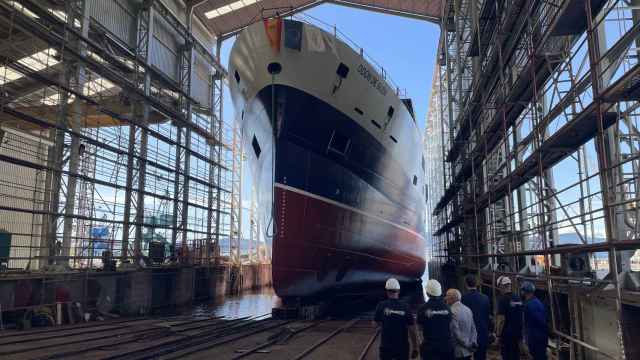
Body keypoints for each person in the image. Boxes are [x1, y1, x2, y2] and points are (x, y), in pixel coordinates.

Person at [374, 278, 419, 360]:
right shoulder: (406, 307)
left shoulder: (381, 305)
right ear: (398, 291)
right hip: (402, 348)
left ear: (387, 291)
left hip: (386, 347)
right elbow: (412, 329)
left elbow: (375, 324)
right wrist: (415, 347)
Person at [416, 279, 454, 360]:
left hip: (430, 349)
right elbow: (451, 326)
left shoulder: (422, 309)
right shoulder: (447, 308)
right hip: (446, 348)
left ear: (427, 293)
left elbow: (419, 329)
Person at [461, 274, 490, 360]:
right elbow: (488, 317)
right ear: (476, 284)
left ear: (466, 284)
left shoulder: (463, 299)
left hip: (467, 336)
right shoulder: (485, 298)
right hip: (482, 334)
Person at [495, 276, 523, 360]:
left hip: (507, 335)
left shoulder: (502, 300)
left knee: (507, 356)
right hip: (517, 334)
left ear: (501, 286)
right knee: (516, 356)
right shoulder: (518, 298)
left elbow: (501, 320)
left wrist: (498, 335)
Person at [445, 289, 477, 360]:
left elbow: (456, 334)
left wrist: (467, 345)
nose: (445, 298)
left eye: (447, 296)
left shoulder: (451, 311)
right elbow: (473, 329)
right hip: (468, 351)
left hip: (458, 352)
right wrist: (472, 343)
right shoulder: (468, 309)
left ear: (452, 298)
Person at [521, 281, 548, 360]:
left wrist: (525, 341)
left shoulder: (527, 306)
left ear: (524, 291)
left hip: (533, 339)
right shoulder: (539, 303)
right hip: (543, 338)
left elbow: (524, 323)